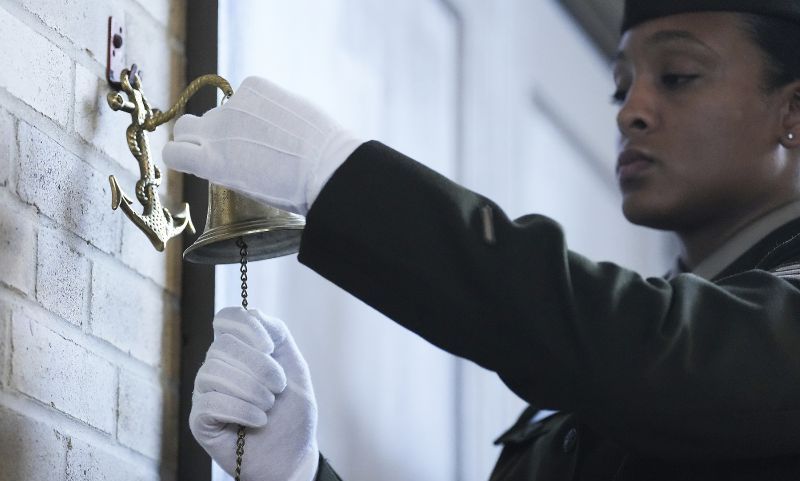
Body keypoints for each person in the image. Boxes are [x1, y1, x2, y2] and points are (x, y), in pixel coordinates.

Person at [165, 1, 800, 479]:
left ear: (792, 113)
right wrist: (298, 472)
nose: (630, 109)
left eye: (679, 75)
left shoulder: (660, 345)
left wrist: (342, 177)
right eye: (620, 85)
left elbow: (651, 350)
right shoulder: (607, 369)